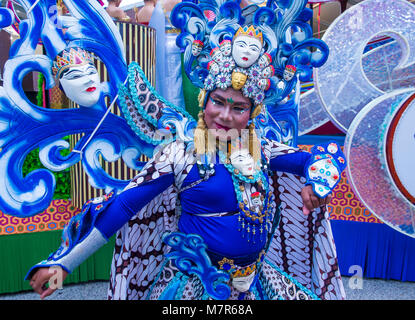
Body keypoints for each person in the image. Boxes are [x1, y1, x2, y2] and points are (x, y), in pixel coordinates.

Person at [27, 1, 345, 300]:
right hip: (197, 285)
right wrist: (64, 262)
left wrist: (317, 183)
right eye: (217, 102)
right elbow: (123, 206)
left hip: (253, 283)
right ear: (203, 100)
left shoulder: (260, 148)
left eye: (238, 108)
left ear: (253, 112)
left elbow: (317, 160)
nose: (224, 115)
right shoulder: (179, 154)